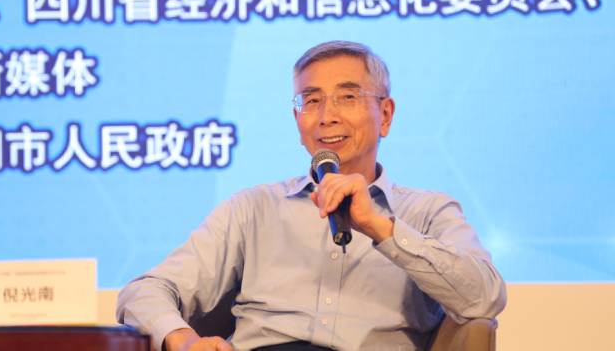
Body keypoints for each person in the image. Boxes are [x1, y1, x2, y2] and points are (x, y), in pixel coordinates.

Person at [116, 41, 507, 351]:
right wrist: (183, 339)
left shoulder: (427, 211)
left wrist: (381, 228)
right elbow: (143, 292)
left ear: (385, 115)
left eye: (348, 97)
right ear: (297, 119)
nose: (327, 116)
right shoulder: (254, 208)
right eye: (312, 100)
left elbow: (484, 299)